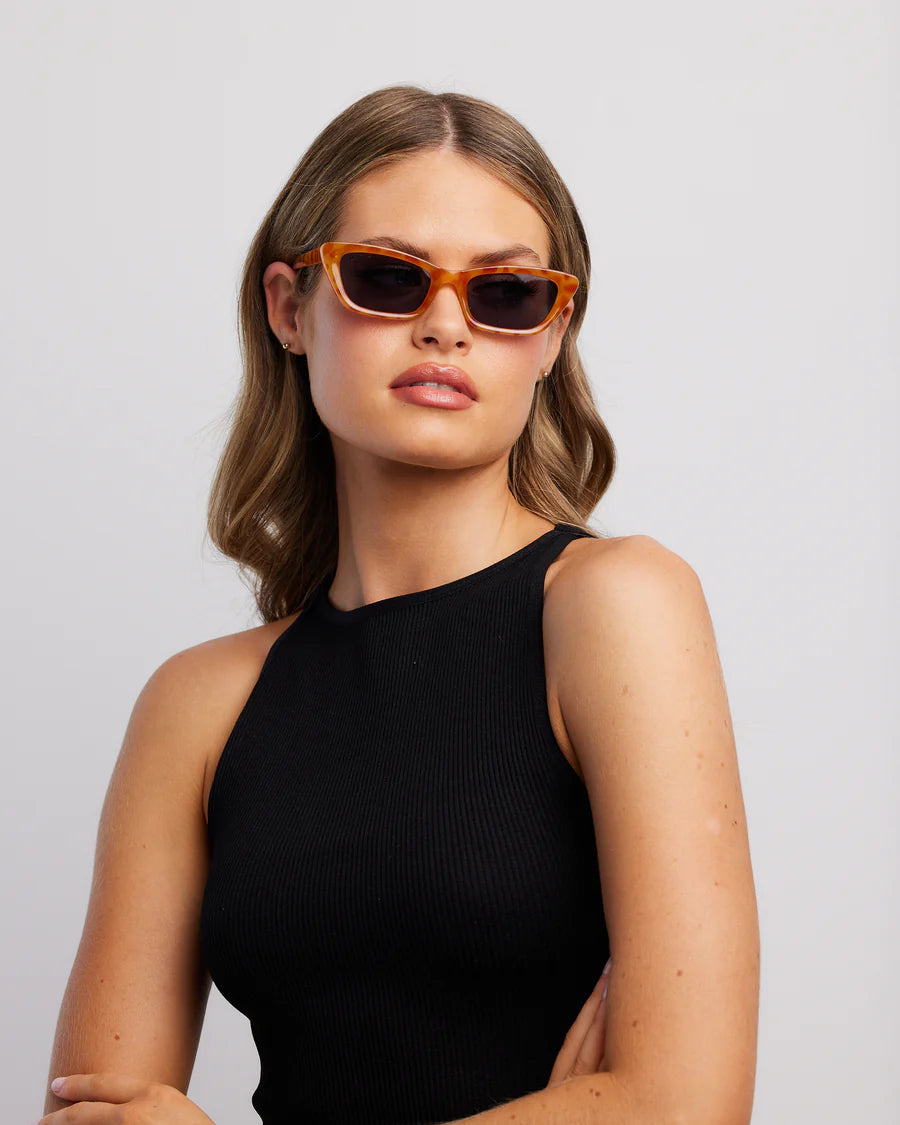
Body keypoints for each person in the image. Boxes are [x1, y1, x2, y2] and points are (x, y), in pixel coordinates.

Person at [39, 86, 759, 1125]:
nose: (445, 326)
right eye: (387, 276)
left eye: (506, 293)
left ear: (553, 335)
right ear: (289, 307)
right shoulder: (197, 704)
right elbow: (91, 1114)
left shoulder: (615, 606)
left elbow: (687, 1107)